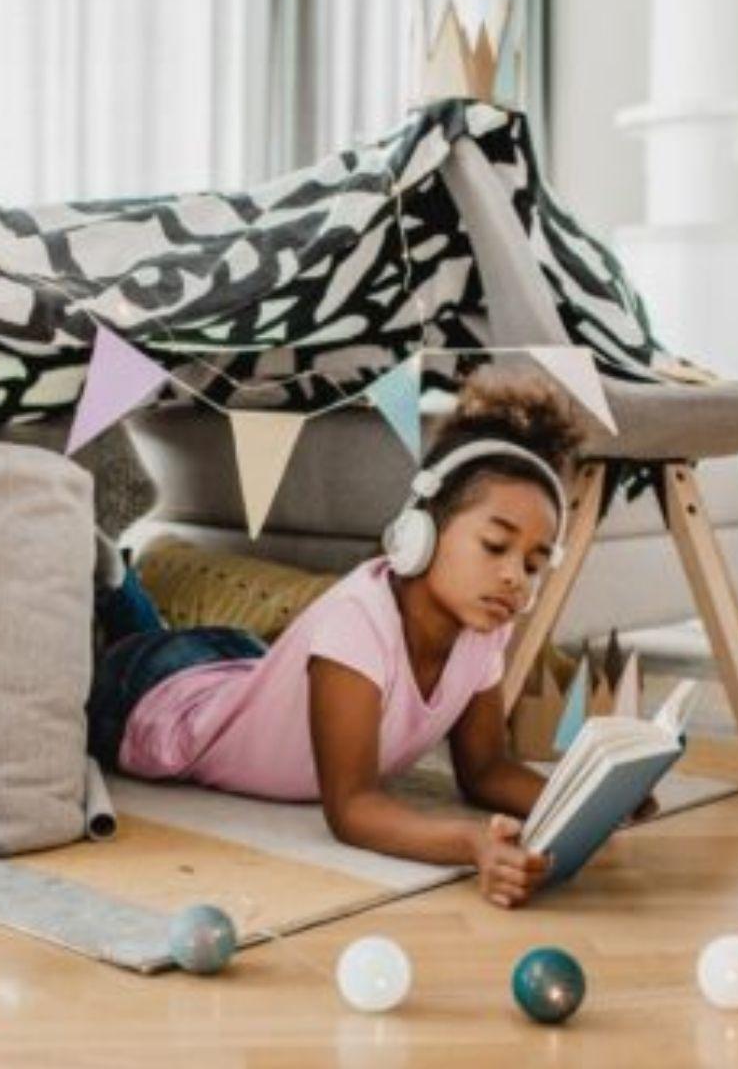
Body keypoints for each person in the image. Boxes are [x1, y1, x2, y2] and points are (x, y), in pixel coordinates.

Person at [89, 370, 579, 908]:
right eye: (494, 546)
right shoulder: (358, 621)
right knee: (101, 652)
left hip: (238, 664)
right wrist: (469, 842)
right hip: (157, 698)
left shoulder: (487, 628)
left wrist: (584, 799)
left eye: (534, 563)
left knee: (164, 637)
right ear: (422, 531)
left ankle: (118, 580)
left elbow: (483, 769)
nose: (515, 577)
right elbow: (352, 808)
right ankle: (106, 571)